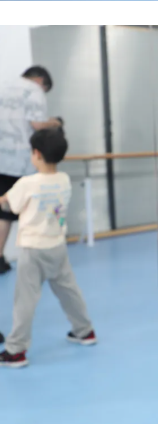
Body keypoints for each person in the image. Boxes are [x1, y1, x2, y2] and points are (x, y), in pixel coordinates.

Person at [0, 128, 96, 368]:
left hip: (33, 250)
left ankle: (15, 350)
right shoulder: (63, 180)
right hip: (57, 246)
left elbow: (10, 205)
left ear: (37, 154)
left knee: (25, 300)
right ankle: (84, 331)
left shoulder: (27, 183)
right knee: (69, 291)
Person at [0, 66, 61, 275]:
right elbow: (37, 124)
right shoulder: (33, 91)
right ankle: (36, 259)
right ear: (40, 81)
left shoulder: (3, 86)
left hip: (1, 159)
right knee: (32, 210)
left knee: (4, 212)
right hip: (21, 162)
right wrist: (54, 122)